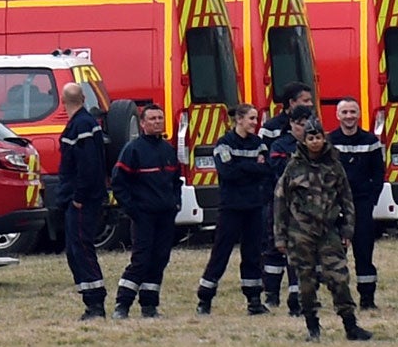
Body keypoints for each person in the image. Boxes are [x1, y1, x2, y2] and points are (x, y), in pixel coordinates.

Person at [273, 109, 372, 342]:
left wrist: (347, 229)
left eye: (318, 137)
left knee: (339, 278)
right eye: (310, 138)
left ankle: (351, 326)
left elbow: (346, 199)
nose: (315, 142)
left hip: (329, 231)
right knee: (306, 283)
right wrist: (280, 237)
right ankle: (312, 327)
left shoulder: (334, 166)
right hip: (301, 232)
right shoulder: (293, 168)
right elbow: (280, 202)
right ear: (304, 140)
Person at [197, 103, 270, 316]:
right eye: (251, 119)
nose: (255, 124)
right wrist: (251, 168)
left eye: (256, 119)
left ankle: (254, 300)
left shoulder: (259, 144)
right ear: (239, 119)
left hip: (254, 206)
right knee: (221, 253)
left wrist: (244, 167)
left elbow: (266, 170)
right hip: (231, 207)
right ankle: (205, 298)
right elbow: (227, 173)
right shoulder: (224, 143)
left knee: (253, 253)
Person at [111, 102, 181, 318]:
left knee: (160, 259)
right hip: (143, 216)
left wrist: (175, 203)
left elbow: (175, 180)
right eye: (152, 119)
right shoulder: (133, 150)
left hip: (165, 215)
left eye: (160, 118)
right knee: (141, 261)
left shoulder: (168, 150)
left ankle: (149, 306)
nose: (157, 122)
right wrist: (133, 209)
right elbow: (119, 182)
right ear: (142, 124)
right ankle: (122, 305)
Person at [56, 82, 110, 320]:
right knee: (76, 250)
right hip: (84, 197)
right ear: (84, 97)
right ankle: (91, 300)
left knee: (81, 249)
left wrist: (78, 197)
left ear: (62, 99)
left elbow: (87, 166)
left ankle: (95, 303)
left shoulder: (81, 126)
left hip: (82, 200)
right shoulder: (86, 123)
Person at [327, 98, 386, 310]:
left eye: (353, 112)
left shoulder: (370, 141)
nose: (349, 116)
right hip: (336, 204)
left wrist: (372, 198)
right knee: (335, 255)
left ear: (359, 114)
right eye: (345, 112)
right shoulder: (329, 140)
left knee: (364, 252)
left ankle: (368, 300)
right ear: (337, 115)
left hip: (361, 203)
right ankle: (341, 299)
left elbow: (379, 172)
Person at [258, 82, 314, 308]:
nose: (310, 105)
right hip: (278, 197)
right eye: (305, 101)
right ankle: (271, 293)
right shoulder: (273, 131)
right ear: (291, 104)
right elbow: (269, 164)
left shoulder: (314, 134)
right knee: (274, 245)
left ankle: (299, 295)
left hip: (306, 202)